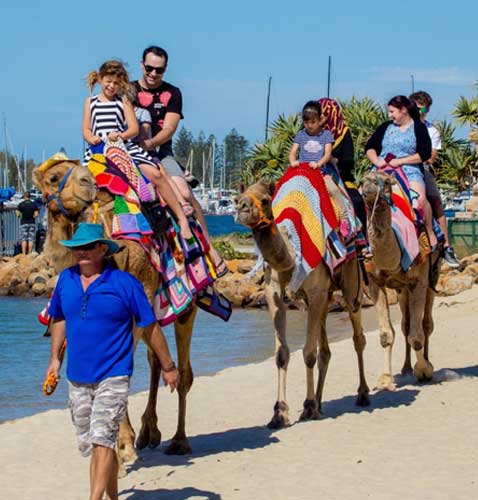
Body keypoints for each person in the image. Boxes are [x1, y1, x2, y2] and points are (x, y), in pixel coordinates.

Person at [45, 223, 179, 500]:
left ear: (102, 249)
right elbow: (58, 318)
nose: (80, 252)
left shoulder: (124, 284)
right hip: (78, 376)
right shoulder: (66, 281)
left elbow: (150, 326)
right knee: (91, 444)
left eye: (87, 247)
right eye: (76, 248)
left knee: (103, 439)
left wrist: (168, 366)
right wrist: (54, 361)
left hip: (114, 374)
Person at [82, 60, 192, 239]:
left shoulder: (123, 100)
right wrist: (91, 138)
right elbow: (86, 129)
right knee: (81, 187)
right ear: (100, 79)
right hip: (98, 150)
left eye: (116, 83)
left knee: (156, 175)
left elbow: (133, 128)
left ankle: (181, 218)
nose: (112, 86)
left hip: (122, 148)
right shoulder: (90, 102)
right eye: (108, 81)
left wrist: (120, 136)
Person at [132, 46, 208, 231]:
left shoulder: (172, 93)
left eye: (159, 70)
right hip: (130, 151)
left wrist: (148, 144)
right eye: (149, 68)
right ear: (142, 65)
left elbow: (169, 128)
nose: (153, 73)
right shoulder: (129, 90)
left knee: (184, 193)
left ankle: (207, 244)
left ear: (165, 69)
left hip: (160, 152)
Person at [365, 95, 435, 248]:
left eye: (392, 112)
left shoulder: (418, 127)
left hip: (409, 170)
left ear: (403, 110)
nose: (390, 115)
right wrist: (377, 161)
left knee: (420, 200)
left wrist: (401, 161)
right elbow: (370, 147)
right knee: (365, 197)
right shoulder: (385, 127)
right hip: (382, 170)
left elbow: (425, 153)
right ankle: (363, 239)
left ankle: (429, 233)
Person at [409, 91, 460, 268]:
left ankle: (446, 245)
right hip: (399, 169)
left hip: (420, 170)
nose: (421, 111)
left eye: (424, 108)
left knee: (436, 203)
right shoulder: (398, 127)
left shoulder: (432, 131)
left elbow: (430, 158)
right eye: (417, 107)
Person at [289, 100, 350, 235]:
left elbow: (327, 154)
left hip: (320, 172)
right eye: (306, 122)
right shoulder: (301, 135)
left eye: (313, 122)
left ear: (320, 120)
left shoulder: (326, 135)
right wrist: (293, 161)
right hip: (302, 172)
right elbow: (293, 152)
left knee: (334, 190)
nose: (309, 125)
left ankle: (344, 218)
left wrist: (319, 164)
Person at [318, 98, 368, 235]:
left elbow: (349, 160)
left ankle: (363, 241)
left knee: (357, 202)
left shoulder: (343, 133)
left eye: (323, 114)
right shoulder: (310, 132)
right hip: (314, 172)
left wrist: (332, 161)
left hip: (339, 175)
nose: (319, 118)